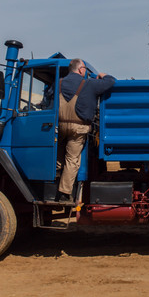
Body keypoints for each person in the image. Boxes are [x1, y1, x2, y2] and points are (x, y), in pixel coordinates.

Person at [56, 58, 115, 203]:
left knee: (58, 156)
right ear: (81, 70)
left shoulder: (59, 83)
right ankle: (63, 193)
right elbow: (111, 82)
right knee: (72, 160)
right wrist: (103, 75)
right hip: (78, 128)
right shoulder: (89, 83)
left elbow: (47, 99)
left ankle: (54, 179)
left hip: (60, 126)